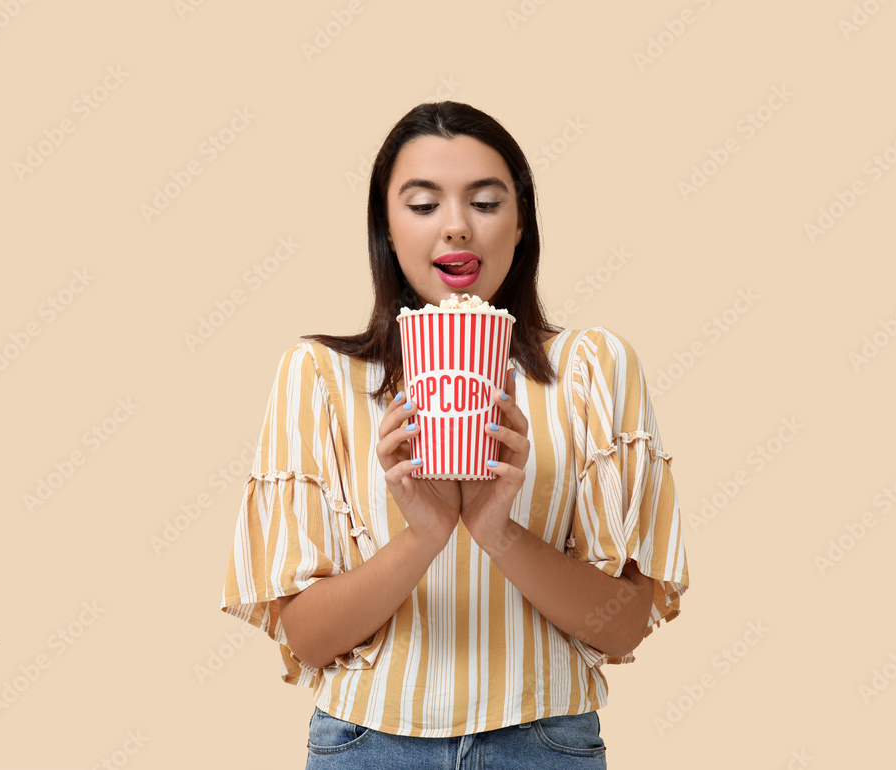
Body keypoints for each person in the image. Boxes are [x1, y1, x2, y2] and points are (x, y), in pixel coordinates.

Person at [219, 101, 689, 769]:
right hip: (366, 746)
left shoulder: (594, 366)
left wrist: (498, 531)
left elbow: (620, 628)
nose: (457, 228)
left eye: (486, 201)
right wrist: (426, 532)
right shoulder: (319, 376)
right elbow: (306, 639)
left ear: (521, 221)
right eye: (422, 204)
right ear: (385, 224)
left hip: (546, 744)